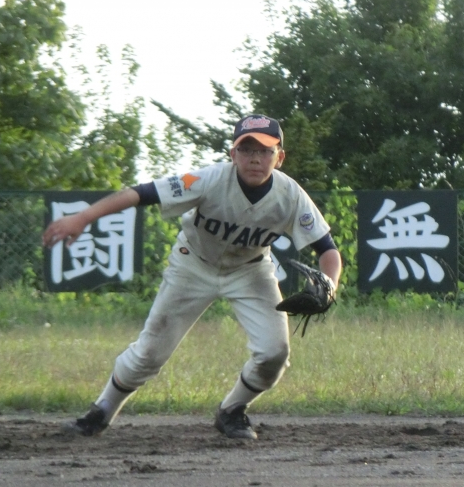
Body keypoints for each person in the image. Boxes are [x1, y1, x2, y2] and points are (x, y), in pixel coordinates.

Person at [42, 114, 342, 439]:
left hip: (251, 270)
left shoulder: (291, 195)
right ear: (233, 154)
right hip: (193, 265)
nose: (255, 158)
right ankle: (101, 411)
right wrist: (84, 217)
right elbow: (142, 193)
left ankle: (232, 410)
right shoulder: (209, 179)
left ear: (279, 157)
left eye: (265, 150)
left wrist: (330, 285)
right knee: (150, 353)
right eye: (247, 149)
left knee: (274, 353)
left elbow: (327, 250)